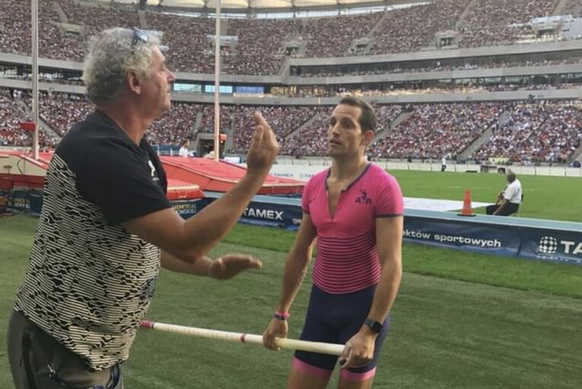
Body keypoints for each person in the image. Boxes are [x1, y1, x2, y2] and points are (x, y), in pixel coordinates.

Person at [7, 28, 278, 389]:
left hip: (97, 350)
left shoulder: (132, 149)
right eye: (163, 68)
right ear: (134, 81)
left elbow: (149, 240)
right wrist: (254, 175)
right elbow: (185, 241)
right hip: (62, 347)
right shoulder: (101, 151)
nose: (171, 76)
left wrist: (211, 269)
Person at [263, 96, 404, 389]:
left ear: (366, 137)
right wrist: (281, 313)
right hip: (321, 308)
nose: (334, 130)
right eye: (331, 122)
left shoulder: (383, 186)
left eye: (346, 124)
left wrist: (370, 330)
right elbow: (301, 253)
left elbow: (392, 265)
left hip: (362, 312)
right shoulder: (314, 185)